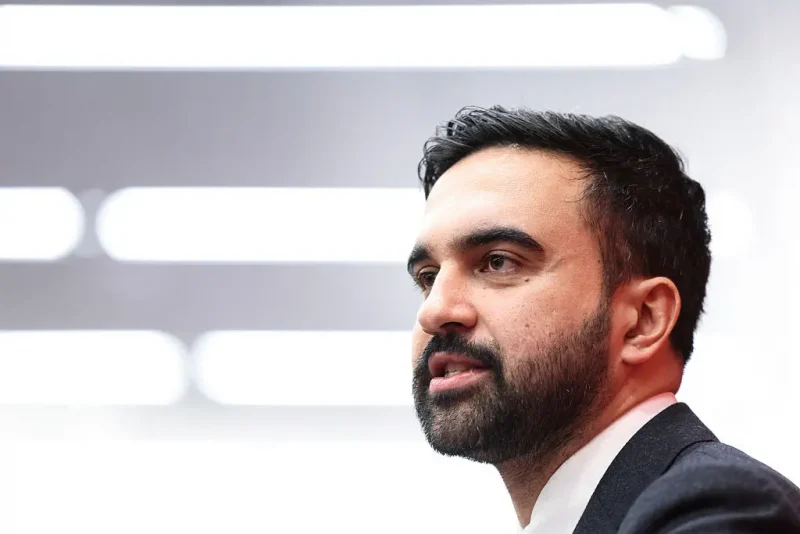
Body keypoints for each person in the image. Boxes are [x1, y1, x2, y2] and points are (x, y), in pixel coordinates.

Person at [406, 106, 800, 533]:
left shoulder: (717, 512)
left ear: (643, 320)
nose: (434, 311)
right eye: (428, 277)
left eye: (498, 262)